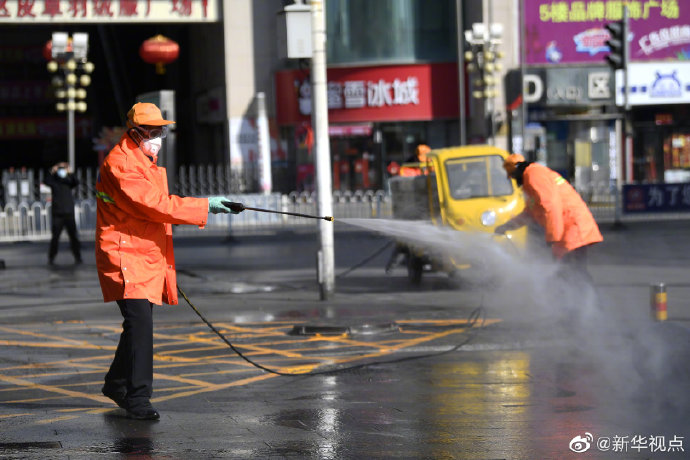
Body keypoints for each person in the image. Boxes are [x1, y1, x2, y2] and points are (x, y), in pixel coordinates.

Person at [95, 102, 242, 420]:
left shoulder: (143, 160)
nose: (159, 137)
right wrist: (206, 206)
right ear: (135, 132)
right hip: (124, 254)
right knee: (140, 325)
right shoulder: (121, 163)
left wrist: (206, 206)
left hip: (140, 253)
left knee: (137, 323)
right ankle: (138, 399)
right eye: (153, 131)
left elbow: (155, 207)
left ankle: (116, 384)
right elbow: (155, 205)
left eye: (161, 130)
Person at [494, 153, 603, 280]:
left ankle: (589, 299)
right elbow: (530, 213)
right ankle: (580, 298)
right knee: (568, 273)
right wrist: (507, 226)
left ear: (518, 169)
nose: (512, 179)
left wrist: (552, 238)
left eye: (512, 175)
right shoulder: (531, 181)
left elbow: (551, 205)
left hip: (573, 227)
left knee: (573, 273)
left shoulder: (534, 175)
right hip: (567, 230)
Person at [44, 161, 82, 265]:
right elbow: (46, 181)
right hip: (58, 214)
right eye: (60, 168)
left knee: (73, 237)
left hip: (69, 213)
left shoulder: (68, 181)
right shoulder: (54, 181)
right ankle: (51, 257)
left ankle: (78, 257)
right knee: (55, 237)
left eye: (63, 168)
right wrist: (53, 170)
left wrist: (69, 172)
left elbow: (76, 181)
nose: (61, 170)